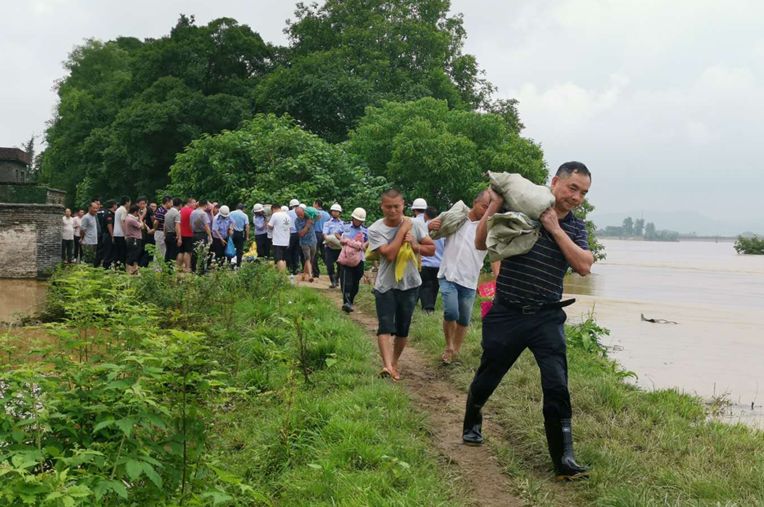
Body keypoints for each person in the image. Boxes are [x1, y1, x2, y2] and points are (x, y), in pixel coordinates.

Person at [462, 162, 594, 482]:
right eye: (572, 188)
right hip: (507, 312)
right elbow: (481, 243)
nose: (576, 197)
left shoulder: (574, 228)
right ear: (555, 183)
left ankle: (563, 456)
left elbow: (584, 266)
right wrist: (494, 203)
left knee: (556, 384)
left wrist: (555, 228)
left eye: (583, 193)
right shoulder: (521, 209)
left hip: (547, 317)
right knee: (489, 373)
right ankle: (472, 418)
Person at [367, 189, 435, 380]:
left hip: (410, 284)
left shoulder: (416, 225)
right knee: (385, 326)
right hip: (385, 285)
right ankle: (387, 366)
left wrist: (415, 245)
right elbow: (388, 254)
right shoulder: (375, 229)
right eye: (388, 207)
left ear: (403, 205)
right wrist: (403, 230)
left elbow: (431, 249)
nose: (393, 210)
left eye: (396, 206)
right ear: (382, 207)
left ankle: (394, 362)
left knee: (403, 328)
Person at [427, 191, 491, 364]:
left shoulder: (488, 229)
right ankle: (448, 346)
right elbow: (434, 229)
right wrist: (429, 226)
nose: (485, 211)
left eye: (489, 208)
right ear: (474, 202)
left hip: (470, 280)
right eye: (483, 206)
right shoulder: (457, 219)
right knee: (451, 312)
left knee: (463, 319)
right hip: (448, 274)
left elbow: (498, 254)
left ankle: (456, 350)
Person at [338, 207, 368, 312]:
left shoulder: (365, 230)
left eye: (360, 220)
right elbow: (337, 233)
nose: (358, 222)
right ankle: (346, 302)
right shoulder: (345, 225)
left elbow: (368, 244)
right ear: (352, 218)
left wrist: (362, 245)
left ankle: (350, 300)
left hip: (359, 259)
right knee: (346, 281)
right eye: (356, 219)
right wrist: (342, 240)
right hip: (346, 258)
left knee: (355, 282)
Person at [419, 206, 444, 313]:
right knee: (434, 286)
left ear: (425, 215)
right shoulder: (442, 229)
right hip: (439, 264)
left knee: (425, 286)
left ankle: (427, 308)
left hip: (425, 262)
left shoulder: (423, 227)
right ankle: (431, 306)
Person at [322, 203, 345, 288]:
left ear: (339, 213)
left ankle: (337, 279)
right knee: (329, 265)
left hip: (339, 248)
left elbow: (345, 234)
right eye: (333, 211)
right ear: (331, 212)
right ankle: (333, 281)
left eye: (337, 211)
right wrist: (327, 239)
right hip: (329, 247)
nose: (335, 213)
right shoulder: (327, 223)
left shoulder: (343, 224)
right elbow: (324, 234)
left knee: (340, 265)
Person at [295, 205, 318, 281]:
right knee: (307, 258)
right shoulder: (297, 221)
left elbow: (319, 216)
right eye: (298, 215)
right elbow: (301, 234)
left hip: (313, 240)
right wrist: (307, 226)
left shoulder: (309, 216)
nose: (300, 216)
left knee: (311, 259)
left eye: (301, 214)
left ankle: (304, 274)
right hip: (304, 242)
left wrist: (313, 213)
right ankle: (310, 276)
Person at [268, 204, 292, 272]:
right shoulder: (287, 215)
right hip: (286, 240)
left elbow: (270, 226)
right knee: (283, 259)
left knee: (278, 259)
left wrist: (267, 223)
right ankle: (284, 273)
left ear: (273, 209)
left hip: (278, 241)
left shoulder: (275, 215)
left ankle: (281, 275)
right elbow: (289, 228)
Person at [191, 199, 213, 272]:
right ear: (205, 205)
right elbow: (206, 226)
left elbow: (191, 224)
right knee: (203, 252)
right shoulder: (203, 214)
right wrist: (210, 236)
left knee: (194, 252)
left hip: (194, 233)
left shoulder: (193, 212)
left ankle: (193, 268)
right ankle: (201, 270)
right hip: (202, 234)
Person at [312, 200, 331, 278]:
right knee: (325, 253)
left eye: (313, 203)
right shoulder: (327, 214)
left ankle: (316, 272)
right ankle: (330, 269)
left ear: (316, 204)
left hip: (315, 234)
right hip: (324, 235)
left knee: (314, 254)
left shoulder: (313, 213)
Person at [124, 204, 144, 275]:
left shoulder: (128, 218)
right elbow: (141, 226)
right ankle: (129, 272)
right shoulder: (131, 219)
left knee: (135, 256)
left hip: (132, 239)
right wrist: (141, 219)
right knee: (132, 256)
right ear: (136, 212)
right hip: (134, 240)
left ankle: (135, 271)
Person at [163, 197, 183, 268]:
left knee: (167, 253)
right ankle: (170, 271)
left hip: (168, 235)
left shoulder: (167, 213)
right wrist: (179, 237)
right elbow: (177, 226)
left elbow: (164, 226)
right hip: (173, 235)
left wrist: (165, 235)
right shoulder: (176, 213)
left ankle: (166, 269)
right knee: (173, 254)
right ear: (180, 205)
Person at [179, 197, 196, 273]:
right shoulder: (191, 211)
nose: (195, 204)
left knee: (181, 252)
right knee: (188, 252)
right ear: (189, 203)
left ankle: (179, 267)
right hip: (189, 233)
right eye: (194, 202)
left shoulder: (180, 210)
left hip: (181, 233)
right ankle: (187, 267)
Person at [113, 196, 130, 267]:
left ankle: (116, 266)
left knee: (117, 251)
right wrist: (126, 233)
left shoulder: (118, 209)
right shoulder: (123, 210)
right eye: (129, 202)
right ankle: (121, 267)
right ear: (126, 202)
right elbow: (123, 222)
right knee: (122, 252)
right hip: (121, 234)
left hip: (116, 233)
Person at [153, 196, 171, 261]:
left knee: (163, 250)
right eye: (171, 202)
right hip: (160, 232)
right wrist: (154, 229)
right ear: (167, 202)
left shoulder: (164, 210)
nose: (171, 204)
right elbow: (156, 222)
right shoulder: (161, 210)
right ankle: (157, 268)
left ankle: (160, 267)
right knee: (159, 250)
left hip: (162, 232)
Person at [101, 201, 117, 269]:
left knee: (110, 252)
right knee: (108, 251)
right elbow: (109, 225)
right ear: (113, 205)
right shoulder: (108, 213)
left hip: (108, 235)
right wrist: (112, 236)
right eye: (116, 205)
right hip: (108, 235)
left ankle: (108, 267)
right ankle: (106, 268)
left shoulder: (111, 213)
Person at [287, 199, 301, 274]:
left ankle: (290, 267)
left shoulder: (288, 213)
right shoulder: (301, 212)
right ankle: (296, 267)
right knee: (296, 251)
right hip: (299, 234)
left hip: (291, 234)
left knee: (289, 251)